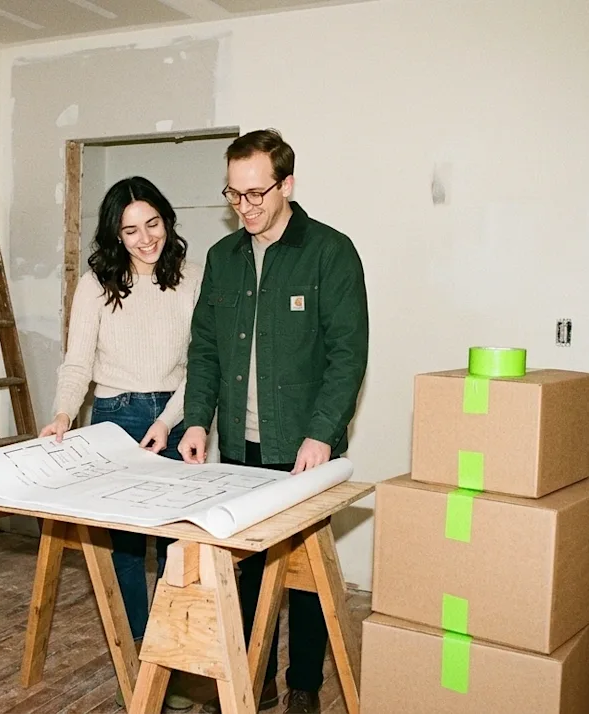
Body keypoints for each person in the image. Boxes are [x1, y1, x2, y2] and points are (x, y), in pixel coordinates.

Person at [178, 129, 369, 714]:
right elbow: (205, 348)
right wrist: (195, 422)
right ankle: (250, 675)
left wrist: (321, 431)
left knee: (306, 577)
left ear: (287, 184)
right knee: (246, 570)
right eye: (233, 195)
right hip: (237, 442)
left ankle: (304, 683)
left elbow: (347, 353)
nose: (245, 207)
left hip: (304, 446)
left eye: (257, 193)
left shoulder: (329, 252)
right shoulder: (221, 258)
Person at [41, 175, 202, 711]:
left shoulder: (194, 278)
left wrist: (173, 418)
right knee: (127, 552)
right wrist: (64, 412)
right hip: (114, 418)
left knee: (182, 549)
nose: (144, 238)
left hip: (181, 420)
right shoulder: (96, 283)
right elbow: (78, 360)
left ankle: (173, 663)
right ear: (115, 234)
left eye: (152, 223)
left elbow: (204, 365)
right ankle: (139, 658)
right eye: (130, 230)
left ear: (167, 220)